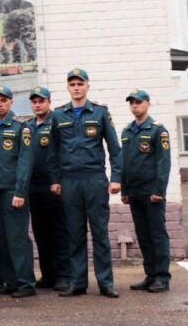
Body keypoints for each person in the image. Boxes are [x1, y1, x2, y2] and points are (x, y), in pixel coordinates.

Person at [50, 68, 122, 298]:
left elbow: (114, 148)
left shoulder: (100, 112)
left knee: (100, 232)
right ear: (68, 88)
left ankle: (105, 283)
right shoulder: (59, 115)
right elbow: (53, 151)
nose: (76, 87)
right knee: (75, 233)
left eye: (80, 83)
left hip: (94, 179)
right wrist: (55, 180)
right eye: (72, 84)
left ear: (87, 86)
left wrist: (116, 178)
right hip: (70, 181)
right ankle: (77, 282)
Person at [0, 86, 36, 298]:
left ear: (11, 102)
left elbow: (25, 163)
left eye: (3, 100)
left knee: (17, 239)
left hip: (12, 193)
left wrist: (20, 192)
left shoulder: (20, 127)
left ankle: (26, 284)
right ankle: (11, 281)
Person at [120, 89, 172, 293]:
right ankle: (150, 275)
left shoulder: (158, 130)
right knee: (143, 234)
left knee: (157, 234)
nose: (135, 105)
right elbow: (125, 163)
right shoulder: (127, 131)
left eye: (138, 102)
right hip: (134, 192)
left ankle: (162, 277)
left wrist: (159, 190)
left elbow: (163, 162)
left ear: (147, 104)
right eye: (131, 102)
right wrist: (124, 188)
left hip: (152, 192)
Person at [26, 86, 68, 290]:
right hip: (33, 187)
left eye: (41, 101)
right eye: (34, 102)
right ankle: (48, 275)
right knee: (40, 232)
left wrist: (57, 180)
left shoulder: (56, 123)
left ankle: (63, 275)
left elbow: (61, 153)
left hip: (53, 186)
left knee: (58, 232)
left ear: (49, 102)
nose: (37, 105)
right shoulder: (27, 126)